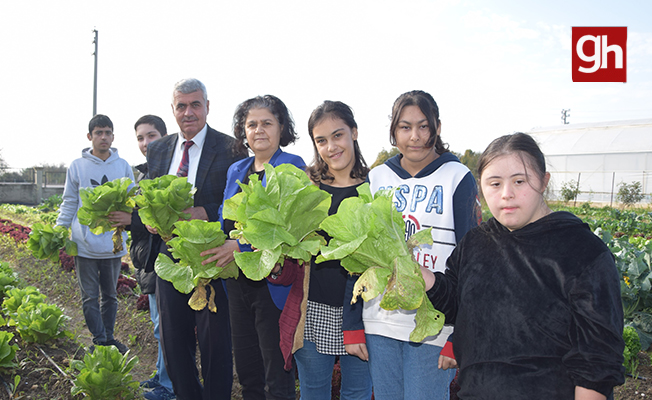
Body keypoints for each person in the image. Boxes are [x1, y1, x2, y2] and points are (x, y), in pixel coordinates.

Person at [422, 132, 625, 399]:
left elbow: (596, 360)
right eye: (494, 184)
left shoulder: (582, 251)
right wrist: (424, 279)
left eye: (519, 181)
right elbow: (457, 308)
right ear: (481, 188)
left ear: (544, 181)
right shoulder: (476, 242)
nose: (507, 194)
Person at [364, 90, 480, 400]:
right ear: (394, 131)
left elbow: (471, 260)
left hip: (434, 321)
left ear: (437, 128)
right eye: (404, 127)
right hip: (380, 320)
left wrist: (459, 334)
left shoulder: (458, 176)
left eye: (423, 126)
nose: (414, 136)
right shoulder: (377, 178)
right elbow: (361, 253)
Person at [146, 78, 246, 400]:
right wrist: (150, 218)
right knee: (173, 340)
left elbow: (239, 201)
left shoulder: (230, 147)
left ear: (207, 107)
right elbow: (150, 194)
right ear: (173, 109)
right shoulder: (159, 150)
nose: (188, 112)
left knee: (214, 341)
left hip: (210, 256)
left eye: (195, 105)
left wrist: (207, 211)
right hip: (170, 256)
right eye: (181, 106)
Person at [200, 95, 304, 400]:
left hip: (273, 283)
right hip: (237, 283)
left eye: (267, 123)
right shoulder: (237, 170)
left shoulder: (291, 166)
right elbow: (224, 222)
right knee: (247, 368)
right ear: (242, 131)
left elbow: (285, 226)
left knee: (276, 370)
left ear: (281, 127)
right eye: (252, 124)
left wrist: (241, 246)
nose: (259, 130)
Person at [292, 100, 373, 400]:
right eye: (321, 141)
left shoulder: (375, 186)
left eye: (338, 135)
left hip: (363, 312)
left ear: (353, 132)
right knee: (313, 394)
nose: (331, 147)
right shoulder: (308, 186)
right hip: (313, 309)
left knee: (358, 394)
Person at [108, 115, 174, 400]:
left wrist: (131, 218)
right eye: (140, 138)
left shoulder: (170, 173)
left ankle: (171, 385)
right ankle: (163, 375)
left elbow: (161, 218)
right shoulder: (143, 174)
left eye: (152, 135)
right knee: (160, 325)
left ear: (165, 137)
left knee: (167, 327)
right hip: (147, 260)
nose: (146, 143)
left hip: (163, 260)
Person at [56, 114, 134, 355]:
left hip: (113, 244)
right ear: (89, 137)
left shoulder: (122, 166)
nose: (103, 137)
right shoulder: (77, 166)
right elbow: (69, 201)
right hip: (84, 244)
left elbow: (132, 200)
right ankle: (100, 340)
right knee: (89, 296)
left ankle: (108, 337)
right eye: (98, 133)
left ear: (113, 136)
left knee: (110, 295)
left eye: (108, 132)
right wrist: (60, 228)